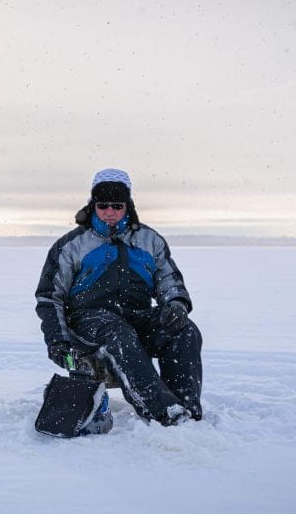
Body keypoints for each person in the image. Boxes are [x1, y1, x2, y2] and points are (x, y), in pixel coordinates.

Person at [35, 168, 203, 425]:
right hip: (88, 323)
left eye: (117, 205)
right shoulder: (71, 245)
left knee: (185, 330)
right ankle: (165, 413)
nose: (110, 212)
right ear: (93, 205)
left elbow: (169, 280)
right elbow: (50, 298)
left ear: (128, 205)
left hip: (136, 317)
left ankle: (187, 409)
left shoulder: (150, 240)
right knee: (118, 333)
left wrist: (176, 304)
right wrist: (57, 341)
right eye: (103, 205)